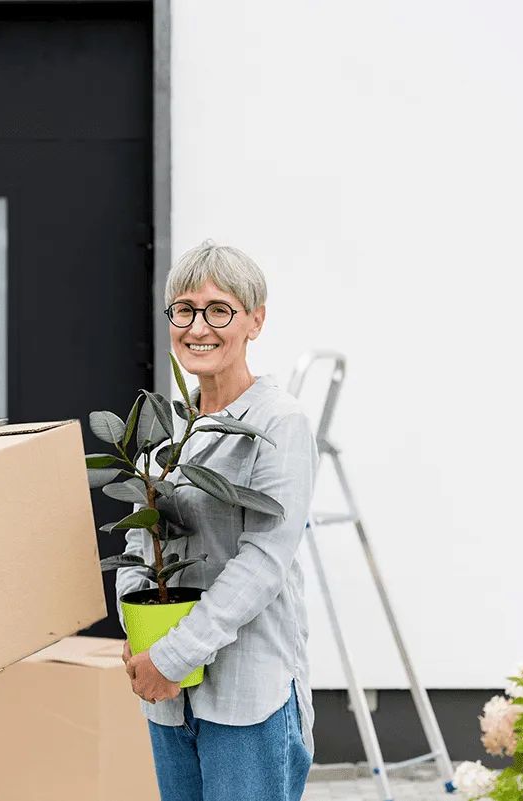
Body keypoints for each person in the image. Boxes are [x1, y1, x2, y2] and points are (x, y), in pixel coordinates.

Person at [118, 241, 318, 801]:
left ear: (255, 320)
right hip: (168, 694)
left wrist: (172, 654)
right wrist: (139, 638)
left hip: (247, 695)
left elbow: (263, 562)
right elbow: (140, 538)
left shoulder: (280, 423)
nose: (198, 326)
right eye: (183, 310)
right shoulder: (167, 427)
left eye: (219, 310)